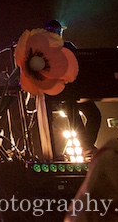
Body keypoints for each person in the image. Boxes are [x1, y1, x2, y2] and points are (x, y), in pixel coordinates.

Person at [43, 19, 102, 158]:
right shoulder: (43, 49)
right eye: (55, 31)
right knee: (72, 110)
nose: (58, 33)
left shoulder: (68, 46)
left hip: (76, 90)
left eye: (59, 31)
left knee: (95, 114)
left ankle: (87, 146)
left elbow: (82, 64)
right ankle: (87, 147)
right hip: (58, 92)